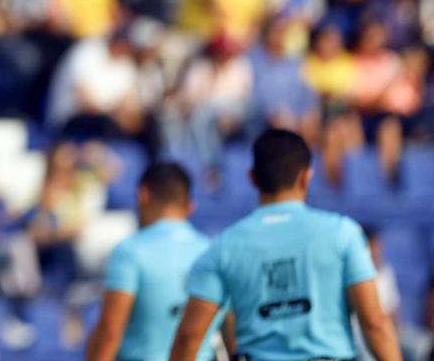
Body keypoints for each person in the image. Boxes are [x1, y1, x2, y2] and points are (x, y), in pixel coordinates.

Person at [167, 130, 402, 361]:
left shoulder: (222, 246)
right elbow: (374, 324)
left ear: (252, 178)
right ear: (307, 176)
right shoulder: (343, 233)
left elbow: (189, 337)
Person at [87, 163, 220, 361]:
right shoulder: (212, 251)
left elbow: (110, 332)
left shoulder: (129, 252)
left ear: (143, 195)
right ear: (190, 206)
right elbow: (232, 327)